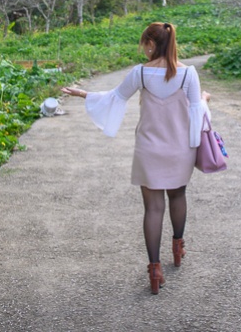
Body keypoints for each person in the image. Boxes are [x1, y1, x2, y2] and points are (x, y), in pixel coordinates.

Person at [61, 21, 210, 295]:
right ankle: (178, 247)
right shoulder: (189, 74)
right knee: (177, 197)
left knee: (153, 209)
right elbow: (196, 112)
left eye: (145, 44)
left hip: (148, 149)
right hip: (179, 149)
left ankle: (154, 269)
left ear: (151, 44)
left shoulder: (140, 73)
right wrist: (204, 98)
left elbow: (115, 98)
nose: (144, 50)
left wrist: (83, 93)